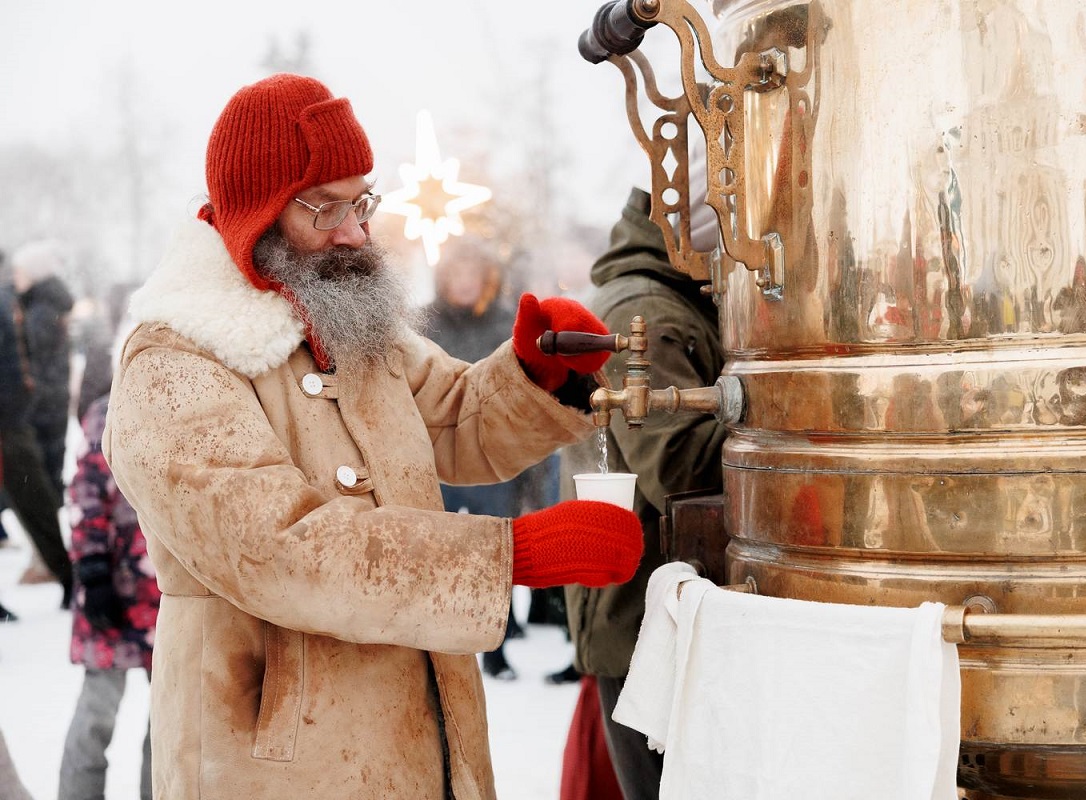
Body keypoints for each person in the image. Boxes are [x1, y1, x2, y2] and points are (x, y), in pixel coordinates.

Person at [102, 72, 644, 799]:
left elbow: (454, 418)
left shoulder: (349, 319)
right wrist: (506, 558)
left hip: (418, 735)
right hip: (271, 766)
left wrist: (531, 377)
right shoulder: (173, 361)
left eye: (361, 200)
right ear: (254, 215)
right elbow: (280, 550)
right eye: (323, 208)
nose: (355, 231)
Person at [561, 185, 726, 800]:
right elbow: (679, 467)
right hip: (647, 626)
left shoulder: (664, 300)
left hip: (654, 617)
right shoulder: (649, 313)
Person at [423, 236, 526, 680]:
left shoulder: (506, 323)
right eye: (456, 274)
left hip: (491, 458)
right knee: (438, 553)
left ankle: (495, 648)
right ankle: (442, 648)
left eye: (472, 274)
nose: (464, 283)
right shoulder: (422, 323)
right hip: (437, 461)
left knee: (492, 555)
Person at [59, 392, 160, 800]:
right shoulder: (109, 409)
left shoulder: (197, 395)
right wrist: (94, 571)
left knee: (170, 721)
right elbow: (86, 492)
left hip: (170, 596)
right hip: (115, 593)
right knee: (96, 715)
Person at [0, 249, 73, 608]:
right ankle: (66, 576)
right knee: (38, 500)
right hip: (21, 416)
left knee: (37, 499)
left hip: (18, 418)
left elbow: (23, 363)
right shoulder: (19, 302)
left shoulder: (28, 307)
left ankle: (67, 576)